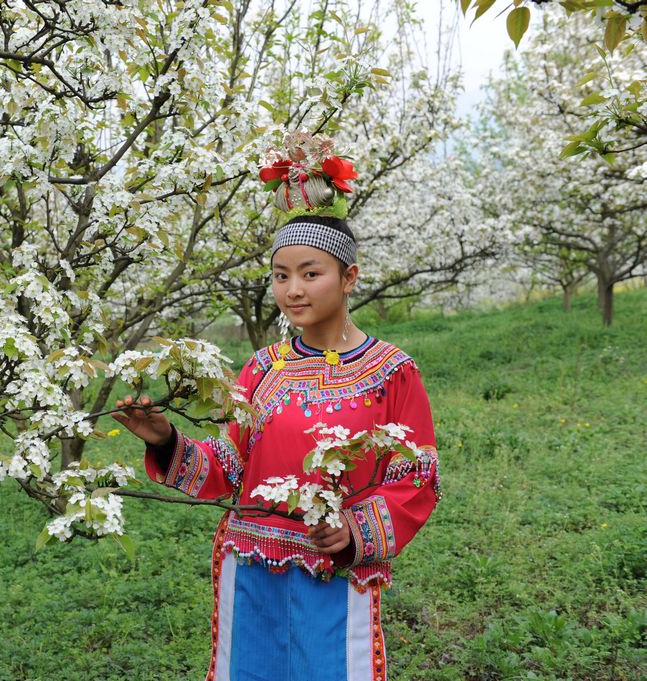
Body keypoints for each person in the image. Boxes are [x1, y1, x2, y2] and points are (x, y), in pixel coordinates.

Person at [111, 133, 441, 681]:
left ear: (349, 277)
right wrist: (166, 440)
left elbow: (416, 477)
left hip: (334, 571)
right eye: (281, 275)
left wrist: (355, 532)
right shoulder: (261, 369)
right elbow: (229, 468)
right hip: (252, 570)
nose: (293, 289)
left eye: (311, 273)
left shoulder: (391, 372)